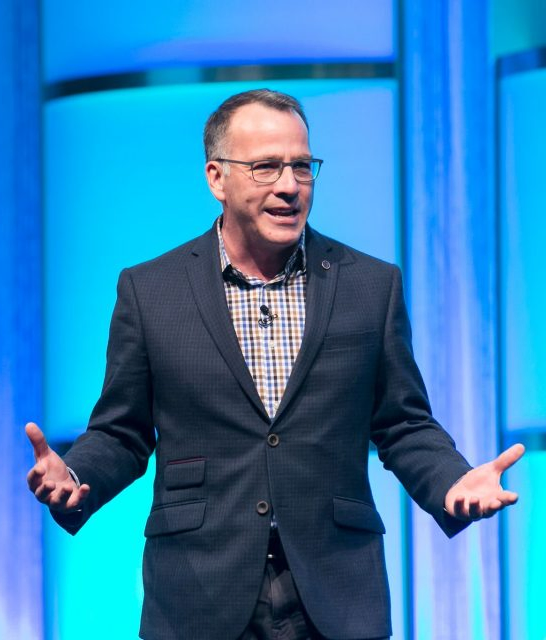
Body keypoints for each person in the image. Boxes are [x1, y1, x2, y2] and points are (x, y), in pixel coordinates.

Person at [26, 89, 524, 640]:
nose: (289, 185)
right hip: (198, 592)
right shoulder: (151, 291)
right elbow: (122, 431)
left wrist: (452, 480)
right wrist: (77, 475)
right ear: (217, 178)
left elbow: (403, 422)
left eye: (302, 167)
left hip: (336, 591)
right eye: (266, 167)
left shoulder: (369, 285)